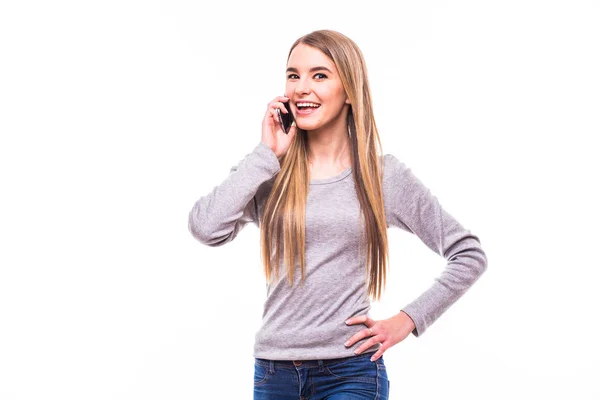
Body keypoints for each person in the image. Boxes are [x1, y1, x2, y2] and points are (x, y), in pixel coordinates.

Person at [188, 29, 488, 400]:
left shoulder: (382, 176)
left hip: (350, 371)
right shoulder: (268, 170)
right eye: (293, 75)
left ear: (349, 91)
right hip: (273, 372)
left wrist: (406, 320)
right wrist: (266, 153)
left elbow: (468, 254)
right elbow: (205, 227)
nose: (301, 87)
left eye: (319, 75)